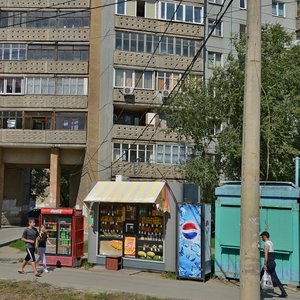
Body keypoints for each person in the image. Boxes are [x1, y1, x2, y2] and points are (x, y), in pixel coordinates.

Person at [260, 231, 287, 298]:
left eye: (262, 236)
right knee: (275, 278)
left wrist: (265, 264)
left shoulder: (266, 244)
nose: (261, 238)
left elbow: (266, 255)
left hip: (269, 263)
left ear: (264, 236)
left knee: (261, 275)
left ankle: (257, 289)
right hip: (272, 263)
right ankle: (283, 292)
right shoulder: (271, 243)